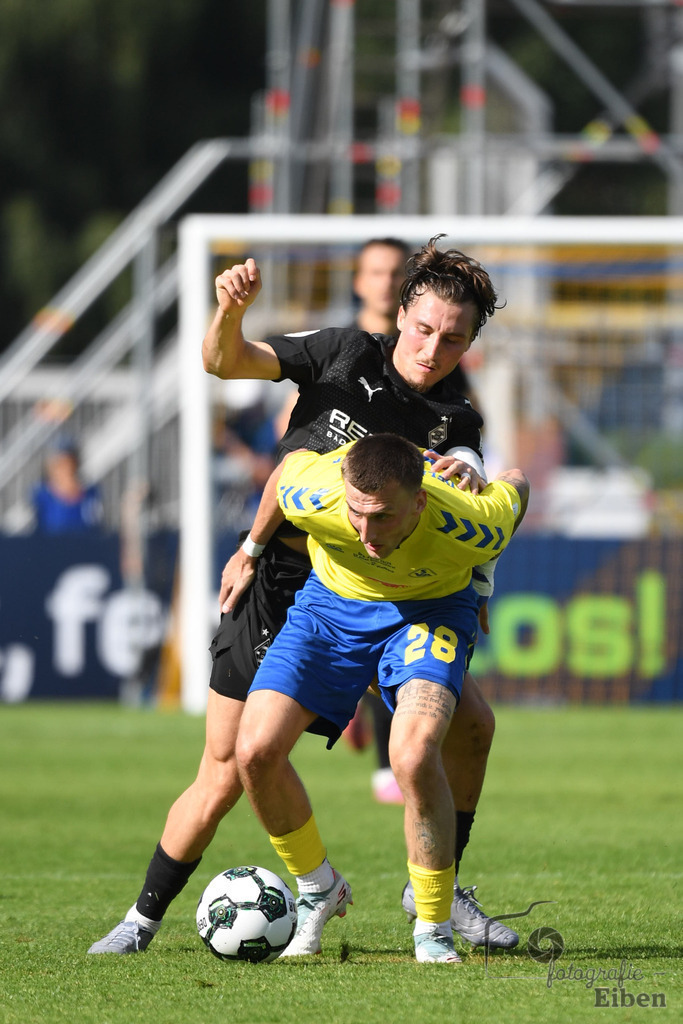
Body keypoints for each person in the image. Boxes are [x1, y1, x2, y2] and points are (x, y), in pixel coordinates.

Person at [88, 235, 518, 955]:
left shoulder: (456, 421)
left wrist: (473, 557)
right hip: (285, 580)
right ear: (398, 314)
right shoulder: (344, 352)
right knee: (229, 766)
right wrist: (229, 312)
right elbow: (226, 364)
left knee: (470, 728)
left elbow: (475, 489)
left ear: (469, 341)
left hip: (381, 587)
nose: (433, 348)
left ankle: (439, 889)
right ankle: (146, 918)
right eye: (422, 330)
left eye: (453, 338)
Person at [234, 433, 529, 964]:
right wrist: (250, 550)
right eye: (356, 514)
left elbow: (518, 486)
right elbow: (287, 473)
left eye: (384, 517)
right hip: (330, 606)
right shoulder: (318, 491)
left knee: (413, 757)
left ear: (419, 500)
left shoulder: (470, 521)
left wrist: (482, 581)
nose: (366, 532)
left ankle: (433, 928)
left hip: (430, 612)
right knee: (253, 752)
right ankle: (320, 889)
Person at [32, 434, 103, 534]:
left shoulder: (91, 494)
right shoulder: (41, 496)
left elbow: (96, 529)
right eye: (60, 464)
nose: (66, 469)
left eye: (70, 463)